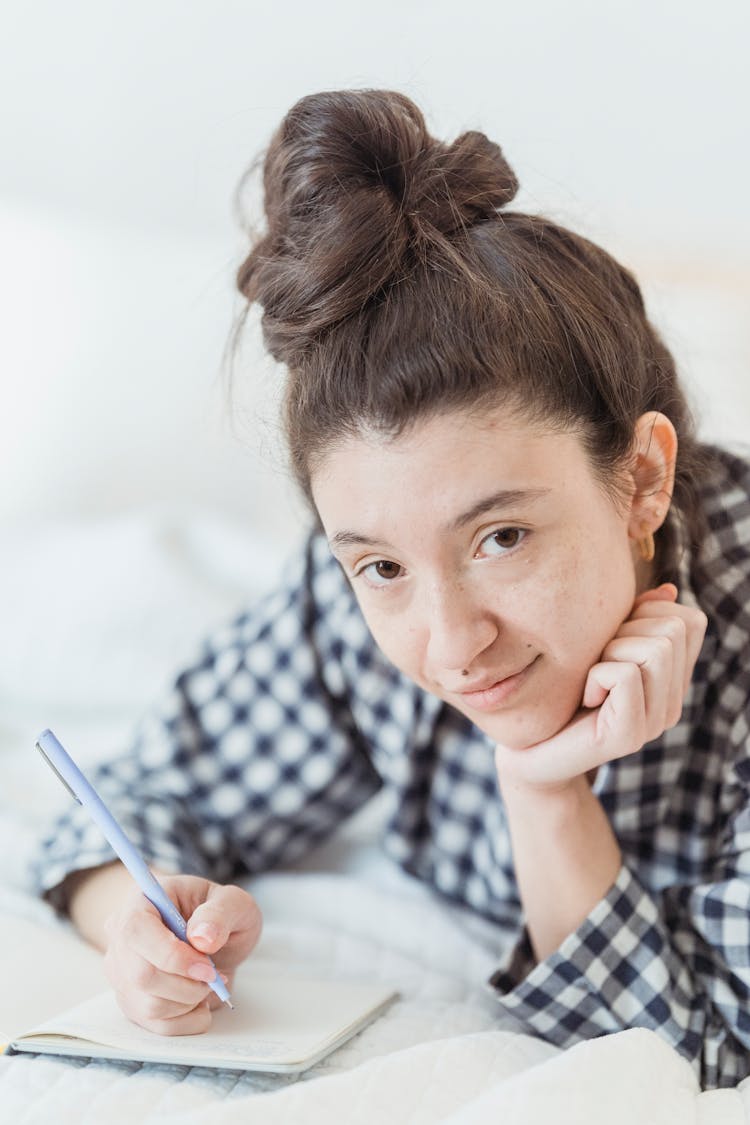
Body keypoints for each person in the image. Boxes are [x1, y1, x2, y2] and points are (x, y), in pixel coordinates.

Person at [32, 89, 750, 1090]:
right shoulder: (349, 604)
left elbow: (710, 1057)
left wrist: (544, 791)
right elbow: (133, 799)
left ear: (643, 480)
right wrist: (140, 927)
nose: (452, 642)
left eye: (501, 537)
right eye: (380, 565)